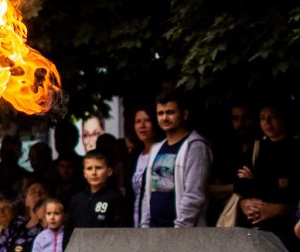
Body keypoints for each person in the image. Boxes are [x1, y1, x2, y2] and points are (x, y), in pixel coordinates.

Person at [234, 102, 300, 252]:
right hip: (255, 223)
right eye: (262, 118)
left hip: (286, 227)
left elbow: (293, 189)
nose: (267, 123)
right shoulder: (256, 148)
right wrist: (245, 202)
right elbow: (239, 185)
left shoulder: (295, 149)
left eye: (273, 117)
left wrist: (255, 183)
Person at [137, 90, 213, 228]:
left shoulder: (195, 146)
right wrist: (144, 228)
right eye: (160, 113)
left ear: (184, 115)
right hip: (153, 233)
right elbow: (148, 196)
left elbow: (194, 195)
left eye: (170, 112)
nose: (165, 118)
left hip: (182, 235)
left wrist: (179, 231)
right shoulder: (156, 149)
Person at [68, 150, 126, 229]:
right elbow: (69, 230)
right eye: (89, 168)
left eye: (98, 168)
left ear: (109, 171)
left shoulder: (115, 198)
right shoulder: (76, 199)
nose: (94, 173)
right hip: (80, 241)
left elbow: (121, 229)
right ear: (84, 173)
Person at [127, 105, 162, 226]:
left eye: (147, 120)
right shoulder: (134, 157)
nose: (142, 125)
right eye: (138, 121)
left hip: (156, 224)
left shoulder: (163, 154)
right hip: (135, 222)